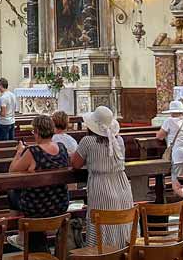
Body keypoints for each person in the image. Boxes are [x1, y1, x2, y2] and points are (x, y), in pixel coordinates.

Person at [71, 106, 134, 248]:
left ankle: (102, 252)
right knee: (121, 222)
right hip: (122, 186)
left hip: (101, 188)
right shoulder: (119, 140)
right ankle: (121, 252)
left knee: (102, 223)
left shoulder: (88, 141)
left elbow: (76, 164)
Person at [8, 114, 70, 252]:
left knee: (12, 193)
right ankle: (25, 238)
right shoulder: (62, 148)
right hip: (60, 203)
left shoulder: (33, 151)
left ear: (37, 132)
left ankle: (20, 235)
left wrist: (19, 152)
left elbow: (12, 172)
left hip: (37, 207)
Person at [156, 100, 183, 197]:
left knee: (177, 186)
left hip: (179, 156)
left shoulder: (169, 121)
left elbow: (160, 136)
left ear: (171, 112)